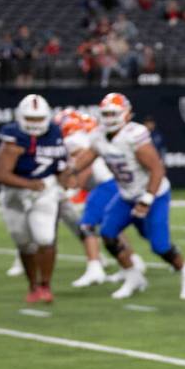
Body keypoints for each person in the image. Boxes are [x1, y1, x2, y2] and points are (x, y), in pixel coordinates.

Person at [69, 93, 185, 300]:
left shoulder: (134, 135)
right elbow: (85, 159)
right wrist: (67, 169)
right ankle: (133, 276)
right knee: (108, 233)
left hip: (154, 195)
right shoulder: (99, 135)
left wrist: (147, 199)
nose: (109, 118)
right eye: (106, 113)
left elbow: (157, 170)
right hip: (126, 195)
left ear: (126, 115)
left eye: (114, 113)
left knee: (160, 246)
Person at [0, 94, 67, 303]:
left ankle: (45, 285)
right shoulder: (13, 136)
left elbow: (60, 165)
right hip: (14, 195)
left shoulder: (55, 132)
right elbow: (0, 174)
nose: (34, 124)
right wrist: (28, 184)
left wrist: (68, 178)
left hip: (44, 190)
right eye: (30, 119)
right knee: (23, 242)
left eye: (38, 119)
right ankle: (33, 285)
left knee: (45, 238)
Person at [57, 109, 145, 288]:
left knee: (87, 225)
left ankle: (94, 269)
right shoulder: (87, 137)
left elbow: (85, 168)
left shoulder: (73, 140)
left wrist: (72, 190)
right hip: (112, 182)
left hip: (105, 183)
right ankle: (132, 261)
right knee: (113, 226)